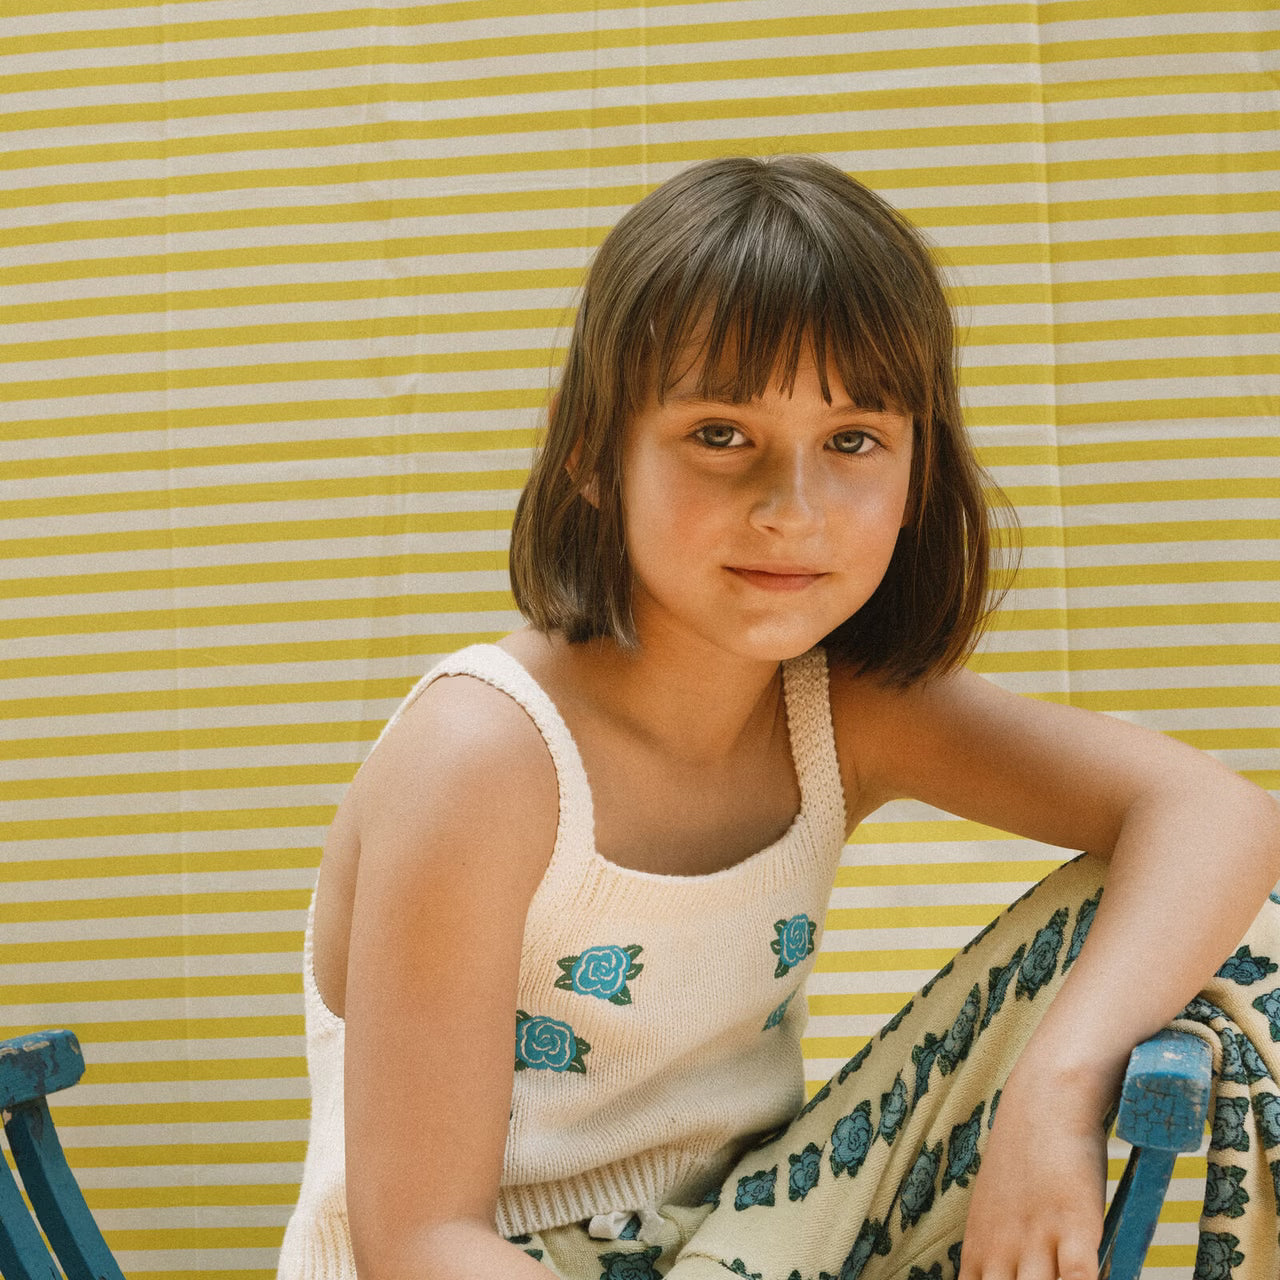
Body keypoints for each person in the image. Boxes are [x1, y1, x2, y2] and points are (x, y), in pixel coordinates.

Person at [276, 155, 1280, 1280]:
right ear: (587, 450)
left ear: (915, 468)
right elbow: (416, 1242)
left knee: (1219, 916)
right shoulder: (485, 754)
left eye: (851, 440)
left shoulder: (831, 708)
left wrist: (1059, 1083)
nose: (788, 509)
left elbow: (1215, 813)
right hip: (489, 1260)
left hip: (745, 1237)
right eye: (719, 433)